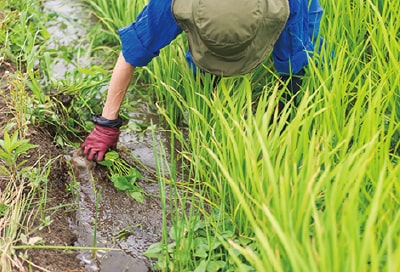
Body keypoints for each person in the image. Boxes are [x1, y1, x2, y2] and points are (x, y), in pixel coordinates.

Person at [81, 0, 323, 162]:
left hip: (279, 13)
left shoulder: (292, 4)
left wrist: (285, 121)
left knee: (299, 53)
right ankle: (204, 92)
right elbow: (134, 48)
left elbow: (297, 60)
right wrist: (106, 123)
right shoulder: (174, 4)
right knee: (203, 78)